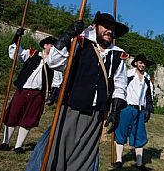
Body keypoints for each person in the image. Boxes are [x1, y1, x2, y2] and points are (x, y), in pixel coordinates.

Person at [25, 11, 130, 171]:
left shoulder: (117, 55)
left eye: (112, 28)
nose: (109, 30)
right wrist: (66, 36)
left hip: (96, 113)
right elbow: (54, 62)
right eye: (105, 27)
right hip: (72, 107)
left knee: (84, 157)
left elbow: (120, 83)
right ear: (95, 26)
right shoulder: (80, 44)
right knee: (59, 150)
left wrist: (115, 109)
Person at [0, 31, 57, 154]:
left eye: (54, 46)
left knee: (29, 119)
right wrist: (16, 37)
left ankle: (18, 146)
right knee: (12, 115)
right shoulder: (31, 54)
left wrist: (53, 94)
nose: (52, 47)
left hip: (38, 94)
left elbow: (57, 79)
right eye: (50, 45)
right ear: (45, 46)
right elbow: (15, 54)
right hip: (23, 90)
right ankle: (5, 142)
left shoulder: (54, 63)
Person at [114, 54, 155, 171]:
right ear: (136, 63)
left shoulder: (147, 77)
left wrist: (148, 110)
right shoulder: (128, 74)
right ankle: (118, 160)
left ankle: (139, 163)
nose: (142, 65)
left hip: (140, 110)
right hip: (127, 107)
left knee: (139, 135)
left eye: (144, 63)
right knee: (121, 132)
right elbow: (120, 88)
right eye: (140, 62)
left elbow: (149, 95)